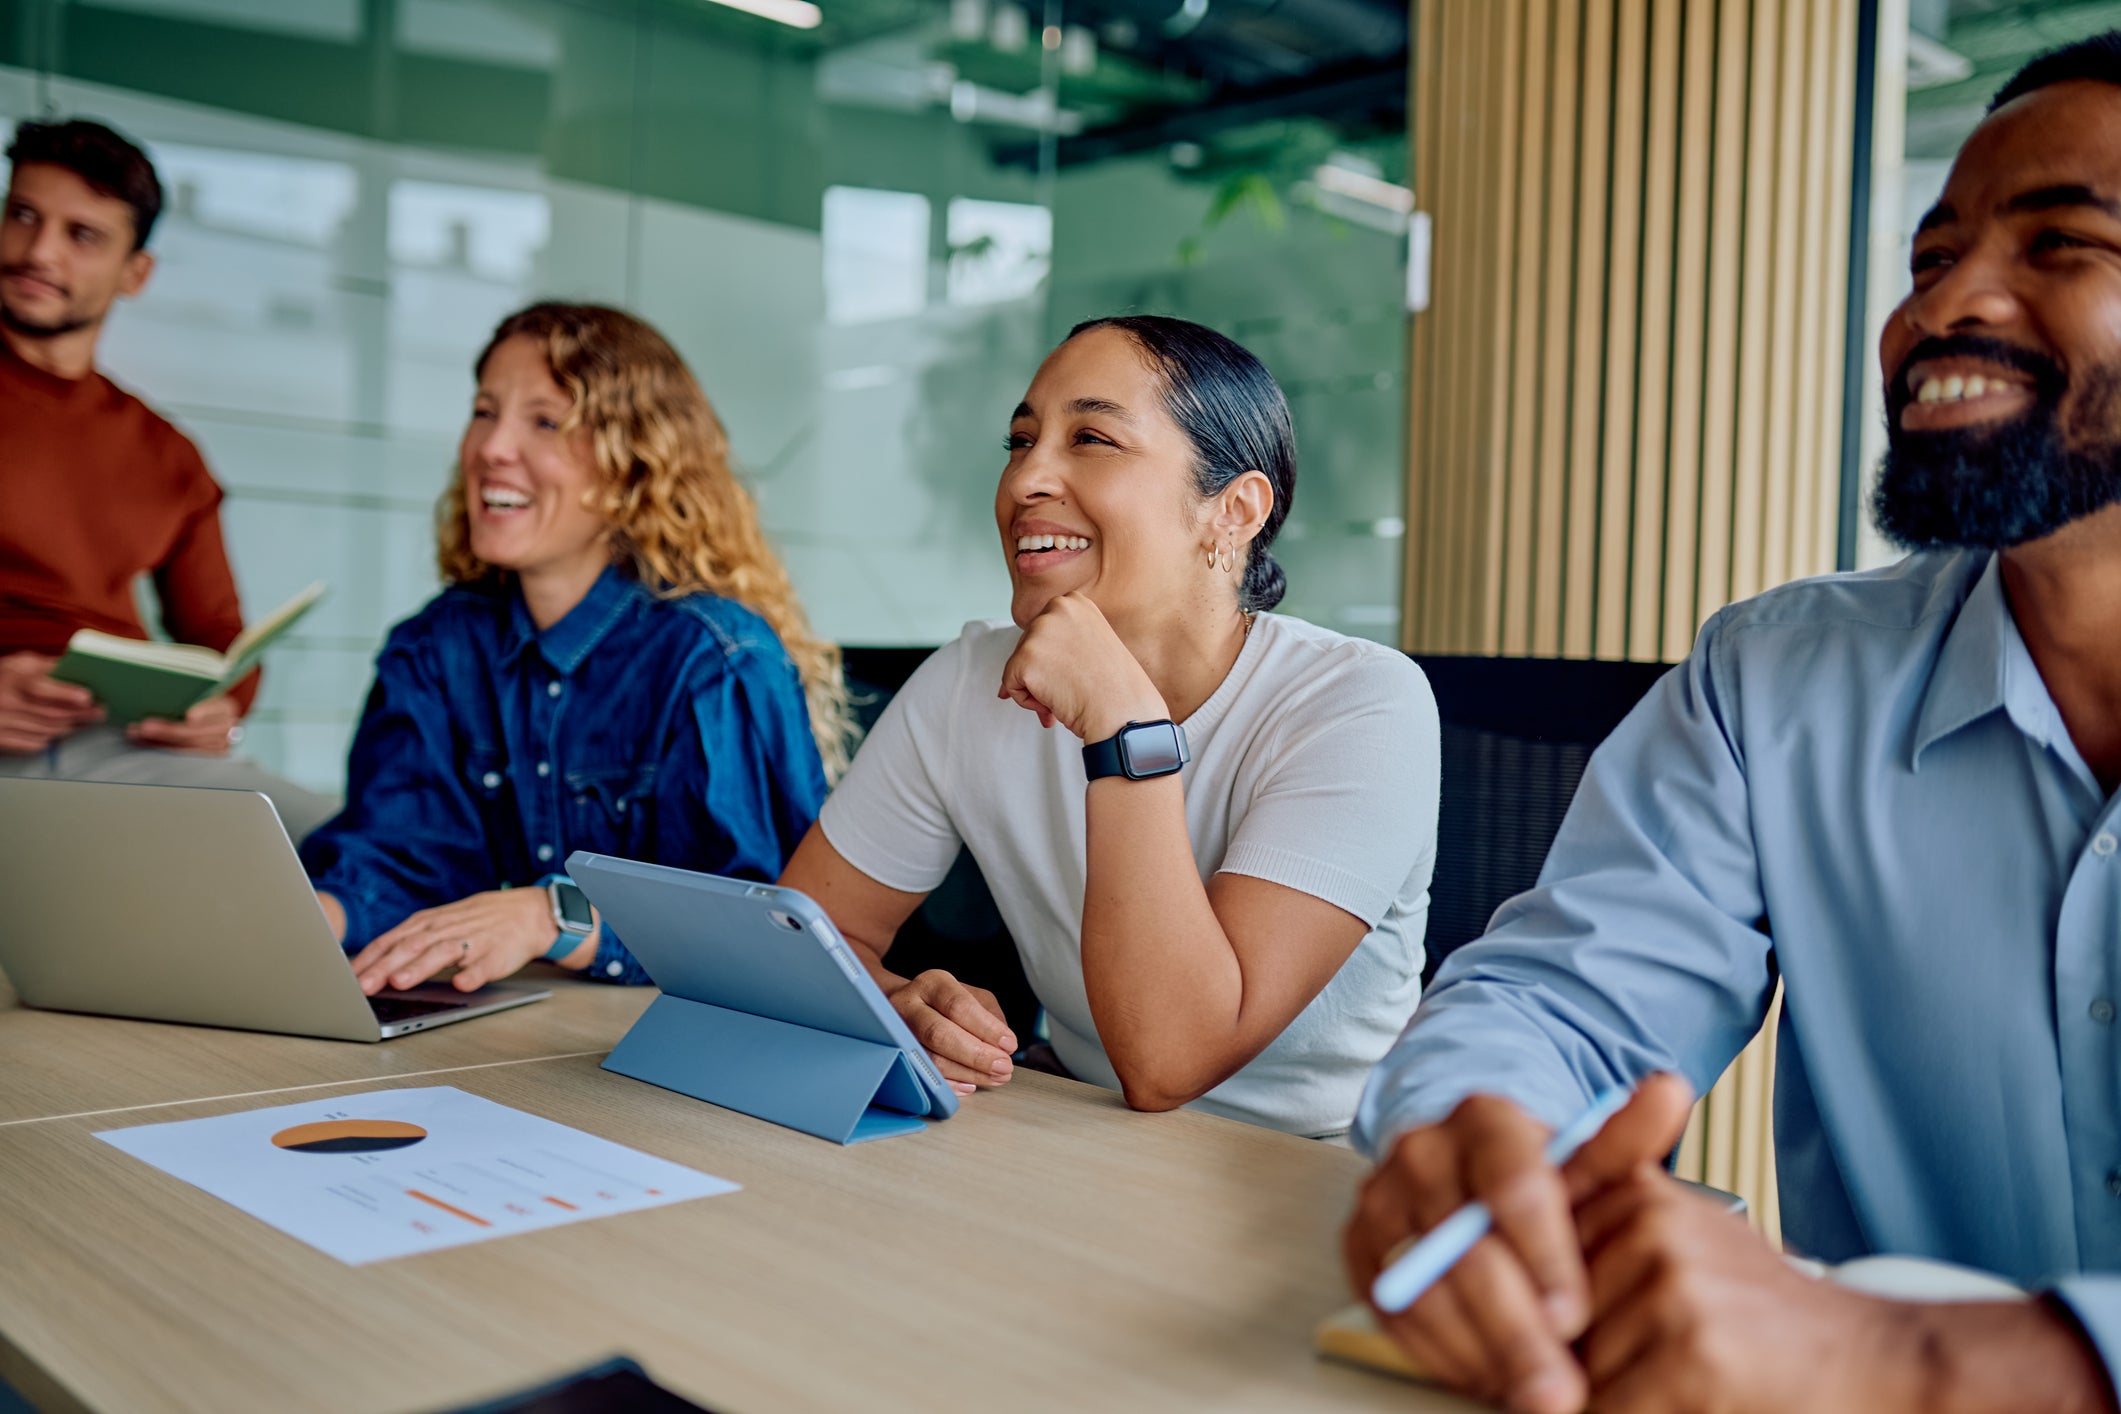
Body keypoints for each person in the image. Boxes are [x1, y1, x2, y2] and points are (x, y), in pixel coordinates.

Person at [1341, 35, 2121, 1414]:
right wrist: (1478, 1141)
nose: (1944, 306)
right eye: (1929, 258)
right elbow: (1557, 1008)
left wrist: (1927, 1363)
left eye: (2060, 243)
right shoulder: (1779, 676)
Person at [779, 315, 1439, 1137]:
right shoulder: (966, 682)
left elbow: (1172, 1059)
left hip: (1317, 1171)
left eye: (1090, 437)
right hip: (1081, 1132)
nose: (1025, 481)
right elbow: (794, 949)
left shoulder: (1362, 702)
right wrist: (892, 1005)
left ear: (1232, 511)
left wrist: (1124, 727)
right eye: (1020, 442)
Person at [301, 302, 846, 994]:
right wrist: (312, 917)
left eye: (545, 422)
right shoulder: (434, 647)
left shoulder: (716, 660)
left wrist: (549, 915)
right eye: (484, 411)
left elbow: (766, 932)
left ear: (632, 468)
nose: (492, 448)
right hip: (506, 1031)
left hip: (673, 1054)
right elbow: (405, 862)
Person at [0, 117, 332, 836]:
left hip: (122, 749)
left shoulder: (168, 455)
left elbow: (221, 642)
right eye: (22, 215)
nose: (37, 251)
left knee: (362, 853)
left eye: (81, 235)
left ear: (135, 273)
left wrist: (219, 713)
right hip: (27, 757)